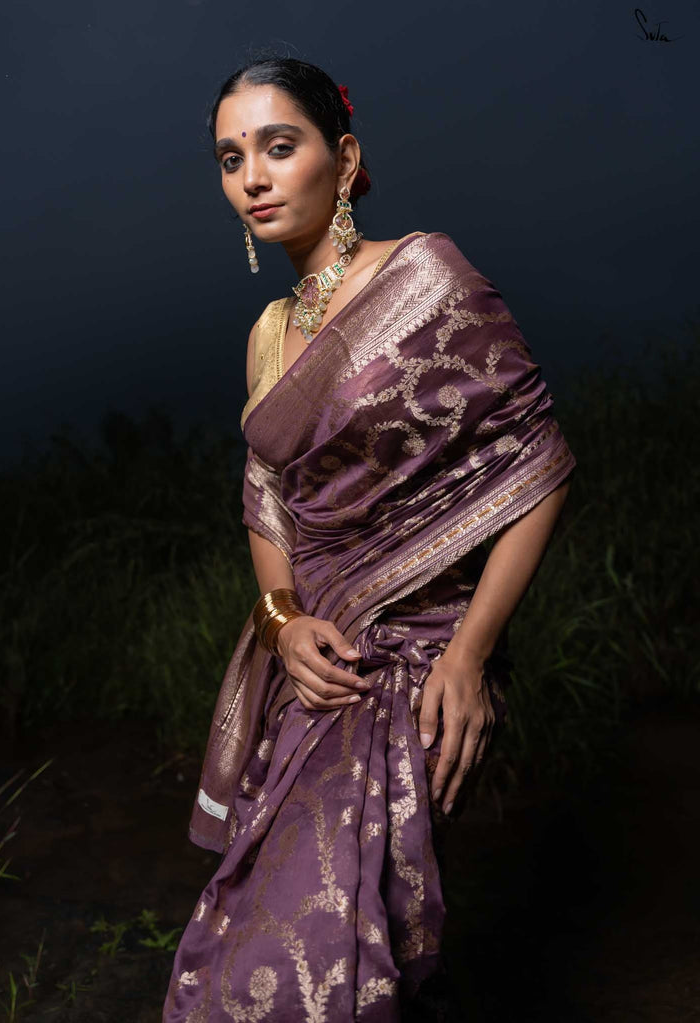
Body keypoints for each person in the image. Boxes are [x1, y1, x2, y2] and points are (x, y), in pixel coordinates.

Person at [163, 56, 576, 1023]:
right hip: (313, 665)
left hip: (423, 661)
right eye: (230, 158)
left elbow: (539, 464)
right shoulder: (268, 333)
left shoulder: (427, 277)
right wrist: (281, 624)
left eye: (278, 146)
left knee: (327, 948)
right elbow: (268, 500)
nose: (252, 177)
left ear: (343, 159)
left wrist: (470, 657)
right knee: (325, 948)